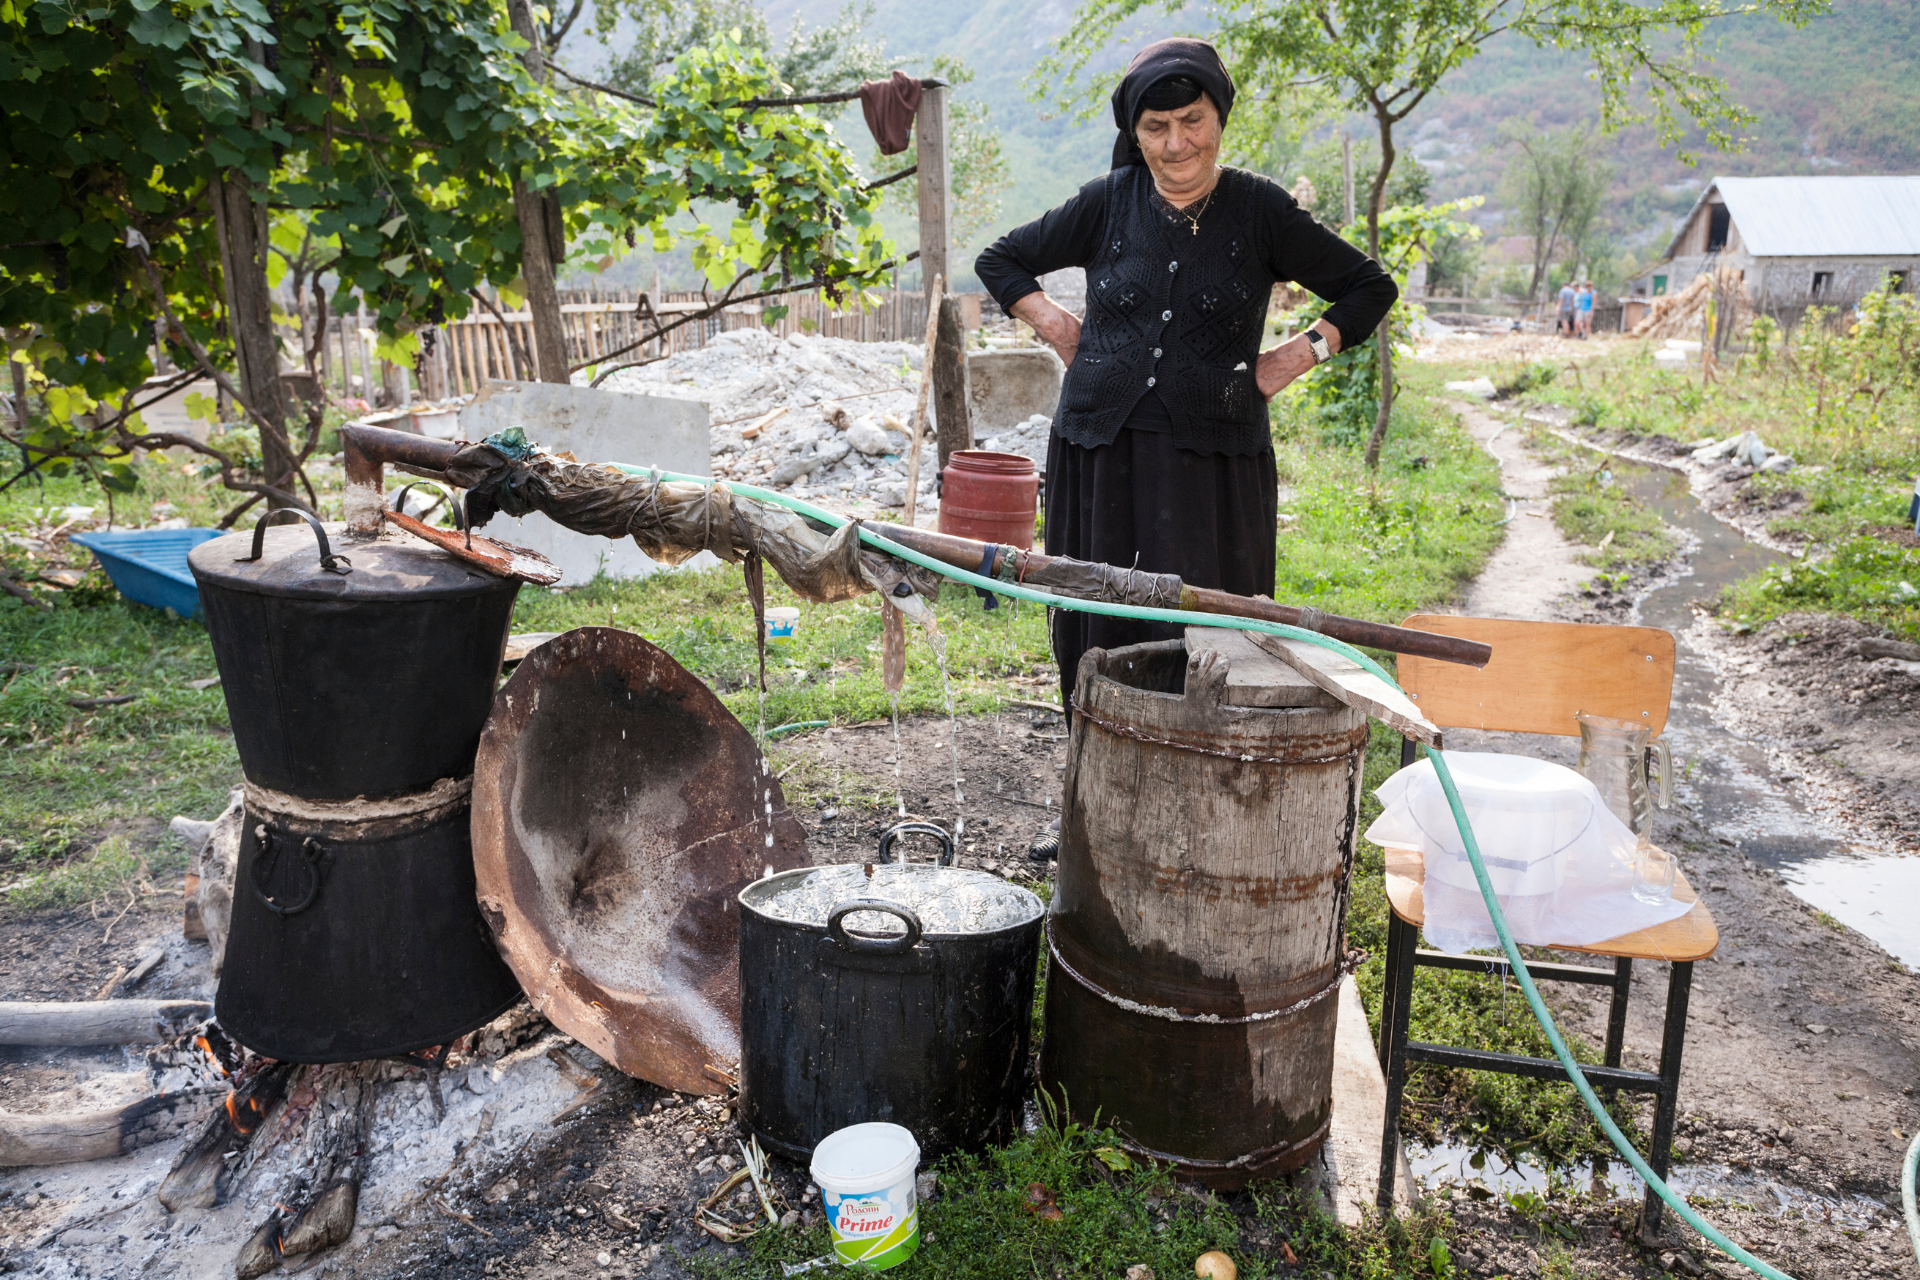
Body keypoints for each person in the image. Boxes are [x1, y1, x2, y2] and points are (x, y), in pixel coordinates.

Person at [974, 37, 1396, 859]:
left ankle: (1200, 816)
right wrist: (1057, 323)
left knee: (1214, 625)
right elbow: (1003, 259)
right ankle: (1096, 811)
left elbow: (1368, 286)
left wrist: (1296, 354)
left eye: (1192, 121)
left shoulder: (1260, 210)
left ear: (1219, 118)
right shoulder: (1109, 201)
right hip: (1099, 450)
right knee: (1092, 619)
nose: (1176, 144)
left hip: (1213, 461)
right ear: (1135, 133)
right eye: (1157, 127)